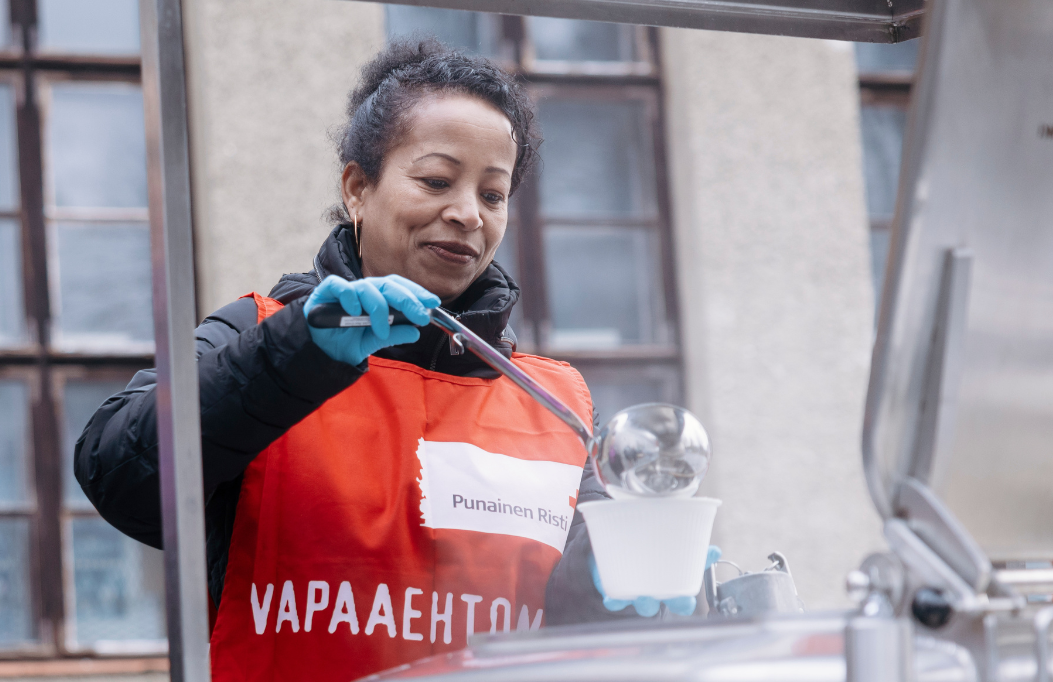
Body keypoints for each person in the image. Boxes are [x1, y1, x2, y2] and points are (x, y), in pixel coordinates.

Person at [75, 40, 683, 682]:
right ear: (358, 187)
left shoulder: (556, 403)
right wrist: (299, 352)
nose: (466, 214)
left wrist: (620, 575)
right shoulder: (258, 334)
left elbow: (573, 629)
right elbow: (118, 471)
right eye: (436, 180)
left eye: (494, 194)